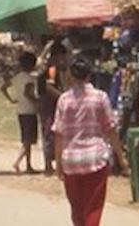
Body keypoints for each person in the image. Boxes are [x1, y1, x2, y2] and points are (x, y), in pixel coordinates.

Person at [52, 54, 123, 226]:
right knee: (93, 209)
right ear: (89, 74)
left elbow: (59, 134)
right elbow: (111, 130)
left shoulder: (64, 100)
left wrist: (58, 162)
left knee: (77, 209)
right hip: (95, 159)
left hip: (71, 161)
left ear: (70, 75)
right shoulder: (100, 97)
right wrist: (122, 158)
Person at [34, 40, 67, 168]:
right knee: (49, 129)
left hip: (51, 101)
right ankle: (48, 162)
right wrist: (63, 97)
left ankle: (53, 160)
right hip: (48, 102)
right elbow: (49, 87)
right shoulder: (50, 69)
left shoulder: (53, 68)